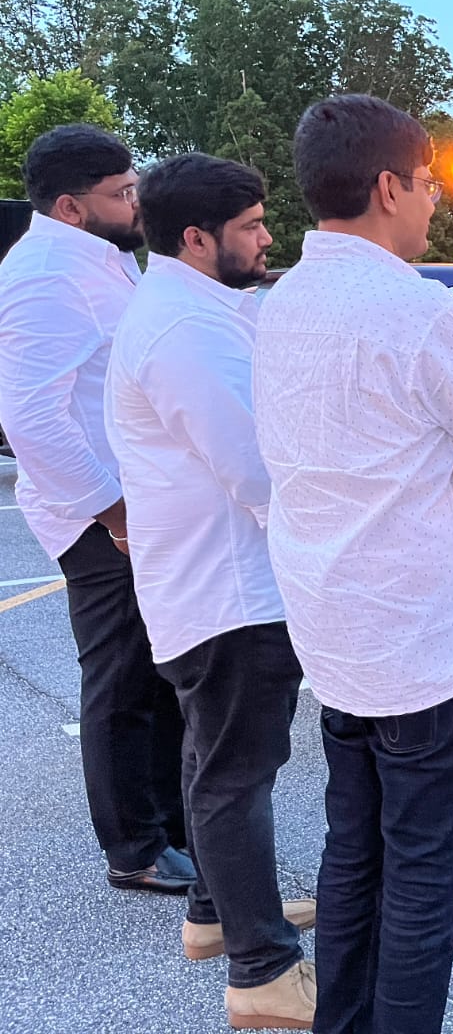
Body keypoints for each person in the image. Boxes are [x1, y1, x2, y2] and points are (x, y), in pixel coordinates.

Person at [252, 94, 453, 1034]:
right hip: (424, 641)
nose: (431, 200)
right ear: (389, 187)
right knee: (421, 881)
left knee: (354, 855)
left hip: (337, 630)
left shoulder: (278, 302)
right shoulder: (418, 310)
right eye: (426, 183)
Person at [105, 153, 316, 1028]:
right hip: (231, 592)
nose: (268, 238)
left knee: (215, 762)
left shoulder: (200, 308)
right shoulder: (182, 330)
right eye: (252, 226)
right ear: (197, 238)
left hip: (216, 585)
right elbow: (260, 470)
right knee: (236, 775)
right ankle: (262, 971)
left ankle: (217, 912)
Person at [0, 124, 192, 895]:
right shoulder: (45, 275)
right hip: (98, 516)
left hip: (138, 505)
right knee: (121, 681)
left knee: (161, 674)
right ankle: (136, 849)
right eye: (123, 193)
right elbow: (30, 418)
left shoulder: (104, 260)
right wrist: (113, 515)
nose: (137, 202)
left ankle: (174, 827)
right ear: (72, 207)